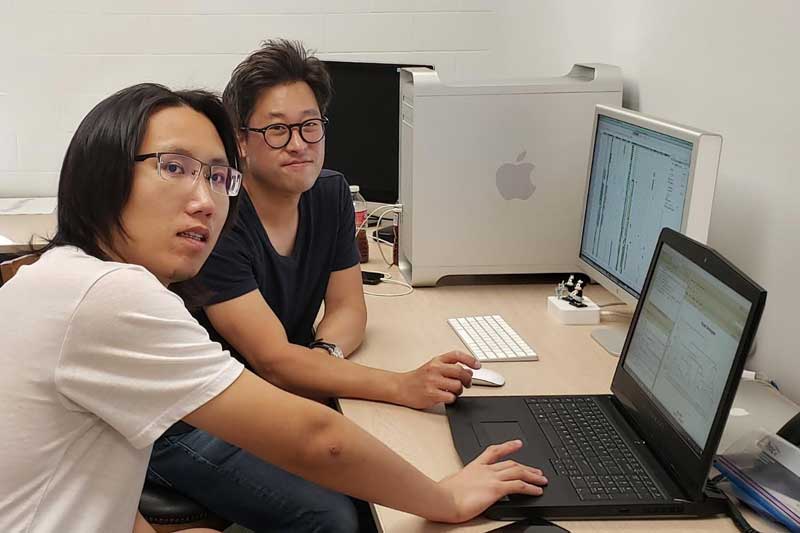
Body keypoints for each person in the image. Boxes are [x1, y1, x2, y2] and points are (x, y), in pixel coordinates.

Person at [0, 83, 548, 533]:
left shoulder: (61, 277)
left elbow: (82, 467)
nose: (205, 200)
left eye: (217, 177)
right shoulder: (110, 294)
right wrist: (444, 499)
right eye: (175, 167)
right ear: (103, 173)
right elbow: (317, 438)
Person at [147, 40, 485, 532]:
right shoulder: (219, 218)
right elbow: (274, 361)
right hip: (189, 420)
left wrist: (323, 357)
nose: (299, 143)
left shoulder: (329, 193)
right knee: (335, 515)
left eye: (310, 125)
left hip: (266, 397)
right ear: (241, 141)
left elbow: (349, 310)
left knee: (376, 471)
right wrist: (400, 385)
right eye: (277, 129)